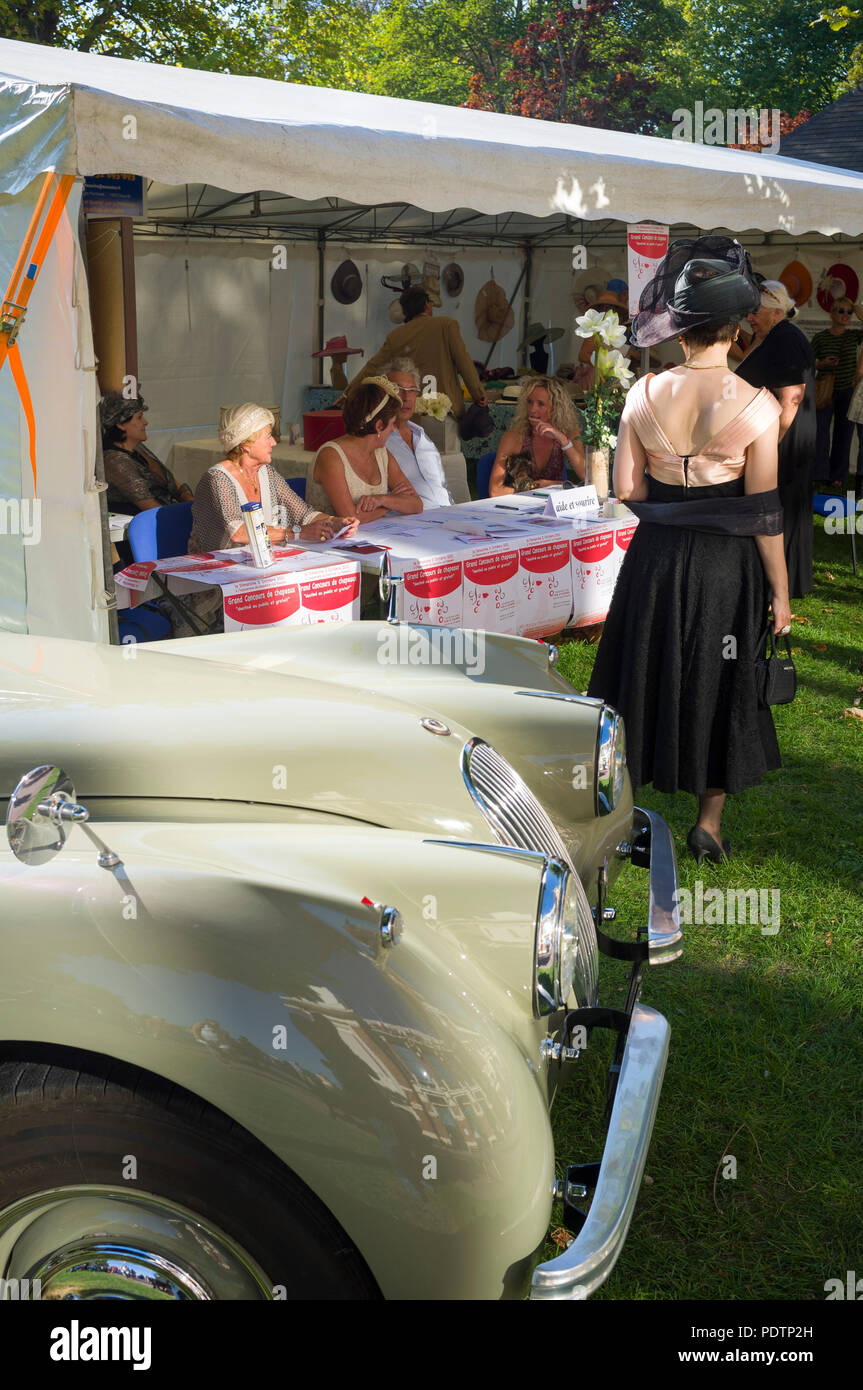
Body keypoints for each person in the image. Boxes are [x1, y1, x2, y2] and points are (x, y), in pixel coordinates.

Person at [586, 236, 791, 865]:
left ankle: (620, 812)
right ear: (735, 332)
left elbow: (626, 489)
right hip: (726, 569)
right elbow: (763, 513)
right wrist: (781, 591)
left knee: (642, 669)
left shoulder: (641, 395)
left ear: (680, 331)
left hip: (655, 559)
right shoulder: (757, 406)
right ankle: (708, 824)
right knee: (722, 677)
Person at [735, 281, 816, 598]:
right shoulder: (776, 338)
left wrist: (773, 442)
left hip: (787, 437)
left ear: (777, 311)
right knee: (783, 503)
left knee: (780, 503)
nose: (750, 318)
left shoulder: (786, 340)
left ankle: (781, 582)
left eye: (755, 312)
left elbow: (792, 397)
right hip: (785, 435)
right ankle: (781, 578)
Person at [189, 403, 357, 552]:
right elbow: (238, 533)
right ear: (246, 444)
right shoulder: (217, 479)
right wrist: (297, 533)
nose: (274, 443)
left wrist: (335, 522)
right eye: (267, 436)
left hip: (261, 565)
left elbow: (303, 514)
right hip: (217, 575)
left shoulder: (266, 473)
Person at [345, 287, 486, 419]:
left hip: (410, 412)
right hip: (445, 411)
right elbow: (464, 363)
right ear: (426, 304)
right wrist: (478, 394)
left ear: (405, 312)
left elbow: (372, 367)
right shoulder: (446, 325)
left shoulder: (395, 336)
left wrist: (348, 393)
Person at [307, 378, 422, 525]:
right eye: (392, 423)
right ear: (379, 426)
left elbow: (416, 504)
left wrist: (383, 499)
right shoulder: (331, 456)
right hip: (326, 543)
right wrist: (390, 503)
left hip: (369, 538)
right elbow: (350, 517)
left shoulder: (382, 454)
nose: (393, 429)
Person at [489, 377, 585, 496]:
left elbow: (586, 476)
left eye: (541, 404)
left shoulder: (569, 435)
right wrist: (537, 487)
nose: (533, 409)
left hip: (552, 509)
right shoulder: (514, 437)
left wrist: (563, 440)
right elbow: (495, 491)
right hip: (516, 507)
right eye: (529, 402)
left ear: (556, 408)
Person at [100, 392, 193, 514]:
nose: (145, 422)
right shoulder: (115, 461)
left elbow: (172, 484)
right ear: (121, 424)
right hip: (149, 523)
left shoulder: (137, 449)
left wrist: (191, 501)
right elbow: (150, 506)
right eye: (139, 417)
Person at [380, 356, 452, 508]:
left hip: (447, 518)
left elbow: (443, 488)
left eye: (412, 390)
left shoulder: (422, 437)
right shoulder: (378, 440)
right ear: (383, 394)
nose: (406, 398)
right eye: (398, 390)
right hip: (408, 523)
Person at [810, 295, 863, 487]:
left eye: (849, 311)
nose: (846, 315)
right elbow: (808, 362)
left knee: (844, 434)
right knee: (821, 433)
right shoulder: (820, 337)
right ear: (832, 313)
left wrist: (860, 313)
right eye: (841, 310)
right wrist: (821, 363)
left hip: (847, 390)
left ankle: (838, 475)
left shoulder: (854, 336)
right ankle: (820, 473)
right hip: (825, 389)